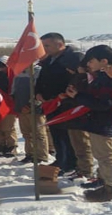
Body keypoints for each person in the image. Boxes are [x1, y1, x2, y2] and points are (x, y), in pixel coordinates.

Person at [64, 45, 112, 202]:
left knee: (105, 155)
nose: (87, 64)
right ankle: (103, 179)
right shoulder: (102, 76)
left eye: (90, 61)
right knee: (100, 153)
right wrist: (79, 95)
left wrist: (79, 97)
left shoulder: (111, 78)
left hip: (104, 121)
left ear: (103, 61)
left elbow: (104, 103)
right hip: (98, 121)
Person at [35, 32, 84, 174]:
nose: (44, 49)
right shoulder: (48, 60)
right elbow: (42, 78)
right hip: (50, 103)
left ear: (59, 44)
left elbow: (79, 79)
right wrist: (37, 92)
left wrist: (64, 95)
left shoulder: (74, 58)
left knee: (68, 135)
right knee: (56, 134)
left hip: (67, 103)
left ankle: (71, 162)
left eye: (47, 45)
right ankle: (61, 159)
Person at [12, 67, 49, 164]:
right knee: (27, 134)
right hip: (21, 108)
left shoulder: (37, 71)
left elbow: (39, 90)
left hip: (35, 109)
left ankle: (41, 156)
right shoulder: (18, 72)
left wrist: (31, 104)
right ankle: (30, 154)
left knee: (39, 134)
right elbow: (14, 90)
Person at [0, 55, 18, 157]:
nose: (1, 69)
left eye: (2, 66)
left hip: (9, 104)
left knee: (8, 127)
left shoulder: (14, 75)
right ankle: (0, 146)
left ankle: (11, 146)